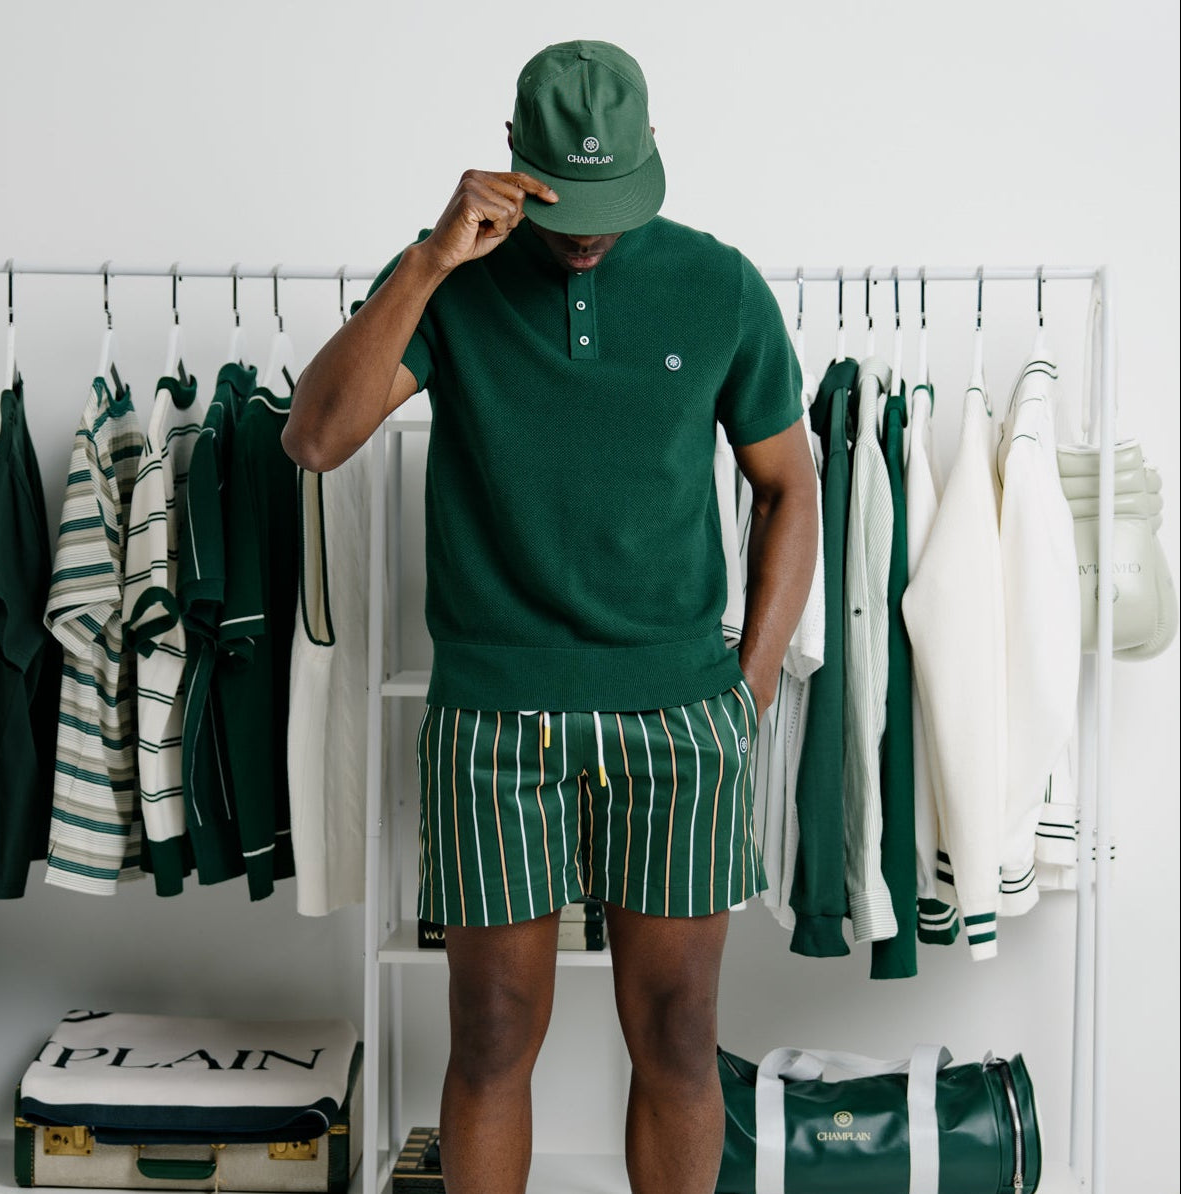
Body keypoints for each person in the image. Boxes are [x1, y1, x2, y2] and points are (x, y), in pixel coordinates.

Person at [284, 38, 817, 1194]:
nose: (589, 230)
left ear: (655, 157)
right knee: (488, 1038)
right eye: (567, 200)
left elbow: (791, 490)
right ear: (511, 165)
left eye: (614, 196)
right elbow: (315, 437)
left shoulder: (718, 283)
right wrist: (429, 259)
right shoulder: (449, 279)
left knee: (677, 1036)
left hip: (680, 723)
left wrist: (752, 688)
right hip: (493, 725)